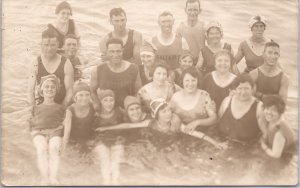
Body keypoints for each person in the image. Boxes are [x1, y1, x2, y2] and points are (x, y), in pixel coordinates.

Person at [98, 98, 226, 150]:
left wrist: (216, 143)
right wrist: (106, 128)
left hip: (175, 143)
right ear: (156, 115)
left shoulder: (177, 124)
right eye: (164, 112)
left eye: (169, 110)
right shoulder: (150, 123)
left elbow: (198, 134)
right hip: (157, 143)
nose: (168, 114)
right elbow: (128, 126)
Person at [29, 75, 65, 185]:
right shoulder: (35, 107)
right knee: (41, 149)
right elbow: (30, 123)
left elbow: (64, 121)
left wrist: (61, 131)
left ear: (56, 90)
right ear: (41, 90)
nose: (50, 89)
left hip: (55, 131)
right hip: (39, 131)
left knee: (54, 149)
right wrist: (33, 132)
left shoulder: (61, 107)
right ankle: (44, 178)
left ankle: (53, 177)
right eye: (47, 87)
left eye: (53, 87)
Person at [27, 27, 74, 106]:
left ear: (58, 45)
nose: (49, 48)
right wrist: (33, 110)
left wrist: (61, 109)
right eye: (46, 45)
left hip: (61, 103)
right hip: (42, 103)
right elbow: (30, 91)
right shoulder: (35, 63)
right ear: (41, 45)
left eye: (53, 45)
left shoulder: (66, 63)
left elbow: (70, 92)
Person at [91, 38, 142, 109]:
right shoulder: (98, 70)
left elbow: (139, 92)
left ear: (122, 51)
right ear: (107, 52)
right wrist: (98, 105)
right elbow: (92, 91)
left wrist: (133, 107)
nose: (115, 55)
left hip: (126, 110)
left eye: (118, 51)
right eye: (112, 51)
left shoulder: (133, 69)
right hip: (107, 110)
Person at [218, 73, 263, 144]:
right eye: (240, 88)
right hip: (221, 144)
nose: (243, 92)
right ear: (235, 89)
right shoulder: (227, 101)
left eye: (246, 88)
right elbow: (218, 121)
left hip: (246, 149)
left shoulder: (259, 107)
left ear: (252, 89)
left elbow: (265, 134)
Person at [170, 67, 217, 132]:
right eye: (187, 80)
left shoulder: (204, 95)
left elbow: (213, 119)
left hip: (202, 133)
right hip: (181, 132)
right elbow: (168, 115)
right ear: (182, 81)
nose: (190, 84)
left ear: (198, 81)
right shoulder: (175, 97)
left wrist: (197, 122)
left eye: (193, 80)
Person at [93, 89, 124, 185]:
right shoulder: (97, 115)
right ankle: (106, 181)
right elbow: (93, 131)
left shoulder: (119, 111)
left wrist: (122, 137)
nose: (109, 103)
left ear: (115, 101)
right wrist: (97, 141)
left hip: (117, 141)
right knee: (104, 158)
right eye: (105, 100)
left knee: (116, 160)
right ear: (101, 101)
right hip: (101, 142)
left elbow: (126, 125)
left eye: (111, 100)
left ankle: (115, 182)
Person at [62, 81, 95, 149]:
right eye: (81, 95)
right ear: (74, 97)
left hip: (88, 139)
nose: (84, 98)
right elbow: (67, 132)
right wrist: (64, 146)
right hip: (74, 139)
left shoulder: (92, 107)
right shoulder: (70, 110)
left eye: (87, 95)